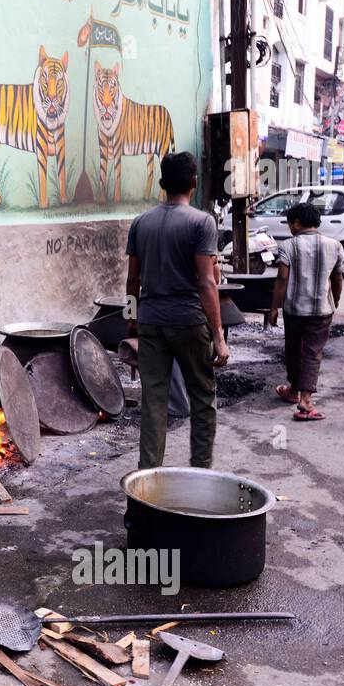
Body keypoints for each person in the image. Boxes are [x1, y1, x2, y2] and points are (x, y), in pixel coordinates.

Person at [125, 151, 228, 469]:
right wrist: (219, 337)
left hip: (151, 322)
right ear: (194, 184)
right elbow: (207, 284)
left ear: (161, 184)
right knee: (202, 399)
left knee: (153, 403)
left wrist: (132, 326)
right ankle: (201, 473)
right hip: (189, 322)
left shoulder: (140, 223)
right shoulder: (202, 223)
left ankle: (147, 480)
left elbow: (132, 280)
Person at [268, 203, 343, 421]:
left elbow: (282, 278)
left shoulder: (288, 246)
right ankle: (305, 399)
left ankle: (294, 391)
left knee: (292, 349)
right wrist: (335, 300)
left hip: (294, 309)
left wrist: (274, 307)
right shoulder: (334, 245)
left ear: (297, 223)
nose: (290, 228)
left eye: (291, 224)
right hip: (321, 310)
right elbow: (337, 279)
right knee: (312, 352)